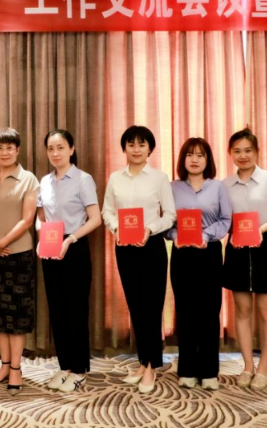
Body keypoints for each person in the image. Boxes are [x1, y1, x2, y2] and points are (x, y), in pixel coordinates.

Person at [101, 125, 176, 394]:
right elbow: (107, 211)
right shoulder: (115, 178)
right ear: (124, 148)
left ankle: (152, 365)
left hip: (151, 246)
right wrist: (117, 229)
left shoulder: (159, 178)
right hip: (124, 248)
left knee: (152, 307)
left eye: (141, 144)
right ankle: (143, 362)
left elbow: (170, 215)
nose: (136, 149)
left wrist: (149, 229)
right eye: (131, 144)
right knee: (135, 306)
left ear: (150, 149)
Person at [222, 129, 267, 391]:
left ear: (257, 152)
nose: (243, 155)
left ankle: (263, 368)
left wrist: (260, 229)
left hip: (264, 246)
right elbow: (223, 218)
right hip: (236, 248)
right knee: (242, 310)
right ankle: (248, 366)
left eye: (248, 150)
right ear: (230, 154)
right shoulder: (225, 184)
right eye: (237, 151)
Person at [37, 129, 101, 393]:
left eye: (61, 147)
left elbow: (95, 219)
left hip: (74, 247)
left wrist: (70, 239)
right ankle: (64, 366)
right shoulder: (44, 181)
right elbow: (41, 217)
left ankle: (79, 369)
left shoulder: (83, 180)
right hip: (50, 247)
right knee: (58, 309)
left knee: (76, 309)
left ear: (72, 149)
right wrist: (41, 237)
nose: (55, 153)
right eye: (51, 148)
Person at [0, 128, 39, 396]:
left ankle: (16, 368)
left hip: (19, 255)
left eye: (9, 147)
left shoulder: (28, 179)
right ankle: (3, 366)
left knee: (17, 315)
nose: (4, 152)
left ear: (18, 150)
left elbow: (27, 220)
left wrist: (0, 243)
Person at [168, 137, 231, 391]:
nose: (194, 160)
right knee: (185, 311)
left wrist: (205, 235)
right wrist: (175, 235)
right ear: (183, 159)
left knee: (209, 311)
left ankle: (209, 370)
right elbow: (167, 222)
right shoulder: (172, 188)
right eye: (190, 155)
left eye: (200, 155)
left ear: (208, 160)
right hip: (182, 254)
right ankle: (187, 368)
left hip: (209, 253)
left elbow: (226, 220)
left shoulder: (218, 187)